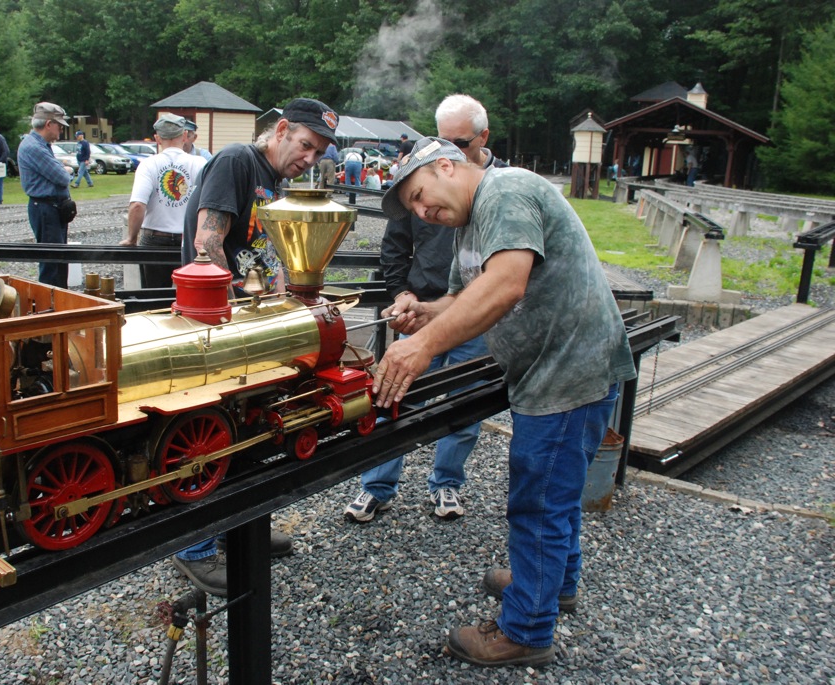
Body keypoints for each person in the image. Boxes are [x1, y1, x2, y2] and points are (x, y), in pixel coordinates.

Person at [373, 136, 636, 667]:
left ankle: (526, 630)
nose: (422, 212)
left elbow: (506, 284)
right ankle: (555, 584)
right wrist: (427, 314)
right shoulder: (469, 226)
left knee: (538, 500)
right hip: (549, 370)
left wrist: (423, 346)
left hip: (569, 371)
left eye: (420, 195)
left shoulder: (506, 191)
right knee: (557, 490)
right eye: (413, 209)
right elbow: (462, 297)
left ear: (446, 166)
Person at [175, 97, 340, 596]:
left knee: (252, 427)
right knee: (209, 433)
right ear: (281, 129)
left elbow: (265, 254)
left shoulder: (274, 179)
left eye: (319, 152)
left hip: (253, 323)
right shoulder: (236, 162)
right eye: (306, 145)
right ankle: (194, 549)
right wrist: (235, 319)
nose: (310, 158)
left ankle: (240, 528)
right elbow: (208, 242)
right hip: (218, 325)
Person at [344, 94, 500, 525]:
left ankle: (447, 482)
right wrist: (400, 293)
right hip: (424, 306)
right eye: (440, 139)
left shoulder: (501, 186)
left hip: (478, 316)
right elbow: (394, 245)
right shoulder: (421, 177)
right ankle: (377, 485)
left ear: (483, 138)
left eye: (459, 142)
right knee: (395, 397)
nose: (448, 149)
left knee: (464, 406)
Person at [120, 113, 207, 288]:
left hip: (155, 239)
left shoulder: (148, 165)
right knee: (191, 292)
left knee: (154, 295)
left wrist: (131, 238)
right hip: (189, 238)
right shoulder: (200, 163)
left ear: (158, 139)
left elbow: (137, 205)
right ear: (184, 135)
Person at [18, 102, 74, 288]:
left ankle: (59, 297)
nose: (61, 130)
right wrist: (66, 169)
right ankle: (50, 301)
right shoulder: (34, 147)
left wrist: (63, 169)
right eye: (59, 125)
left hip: (52, 209)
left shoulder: (40, 145)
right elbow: (62, 177)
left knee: (59, 260)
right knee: (52, 263)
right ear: (49, 124)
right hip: (46, 209)